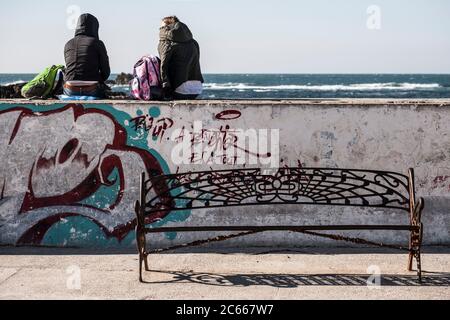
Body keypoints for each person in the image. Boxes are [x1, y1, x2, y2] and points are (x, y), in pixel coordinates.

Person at [63, 13, 111, 98]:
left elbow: (69, 67)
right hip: (91, 89)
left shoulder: (68, 44)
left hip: (70, 89)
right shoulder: (97, 43)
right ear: (95, 27)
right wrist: (96, 78)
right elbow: (106, 71)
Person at [158, 16, 204, 100]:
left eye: (162, 27)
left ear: (167, 27)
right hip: (197, 89)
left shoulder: (166, 42)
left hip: (179, 90)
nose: (160, 29)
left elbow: (163, 65)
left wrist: (165, 86)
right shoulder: (193, 42)